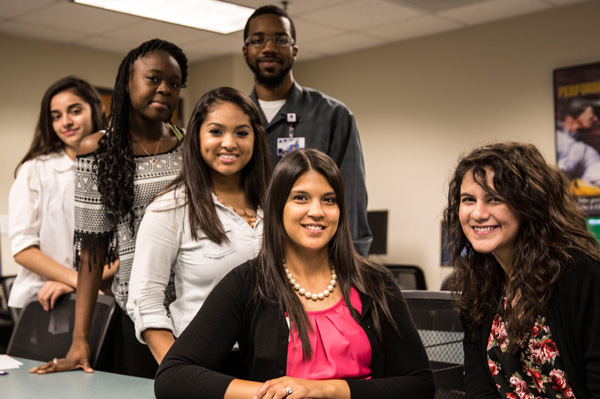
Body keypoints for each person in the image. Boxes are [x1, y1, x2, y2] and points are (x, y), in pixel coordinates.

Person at [155, 149, 434, 399]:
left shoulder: (375, 284)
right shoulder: (249, 283)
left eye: (329, 200)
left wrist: (325, 390)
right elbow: (173, 376)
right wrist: (277, 394)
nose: (317, 211)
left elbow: (420, 385)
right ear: (278, 207)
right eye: (300, 198)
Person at [30, 38, 188, 378]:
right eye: (154, 79)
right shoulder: (98, 150)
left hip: (196, 303)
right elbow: (92, 250)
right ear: (126, 84)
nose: (164, 89)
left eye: (174, 84)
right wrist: (80, 339)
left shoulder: (190, 146)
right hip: (137, 311)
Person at [126, 87, 271, 364]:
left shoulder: (276, 203)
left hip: (279, 361)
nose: (229, 143)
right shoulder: (170, 207)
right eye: (216, 131)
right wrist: (179, 372)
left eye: (241, 132)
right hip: (208, 363)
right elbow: (145, 299)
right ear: (197, 136)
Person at [444, 142, 600, 398]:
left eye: (494, 199)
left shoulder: (580, 275)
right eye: (468, 200)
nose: (478, 213)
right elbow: (479, 388)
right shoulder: (480, 287)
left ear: (529, 204)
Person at [242, 5, 372, 257]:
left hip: (316, 260)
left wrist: (354, 267)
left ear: (295, 50)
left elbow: (351, 201)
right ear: (246, 51)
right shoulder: (236, 119)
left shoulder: (333, 115)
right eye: (257, 40)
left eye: (280, 39)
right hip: (250, 261)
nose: (268, 47)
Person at [8, 76, 113, 312]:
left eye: (75, 111)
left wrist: (83, 283)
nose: (65, 122)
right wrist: (76, 280)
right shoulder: (36, 170)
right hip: (43, 300)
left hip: (104, 298)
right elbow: (23, 249)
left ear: (97, 109)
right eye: (56, 116)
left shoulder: (118, 170)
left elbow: (128, 246)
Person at [556, 99, 600, 186]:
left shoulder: (584, 148)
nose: (595, 119)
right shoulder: (557, 135)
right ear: (578, 110)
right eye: (593, 112)